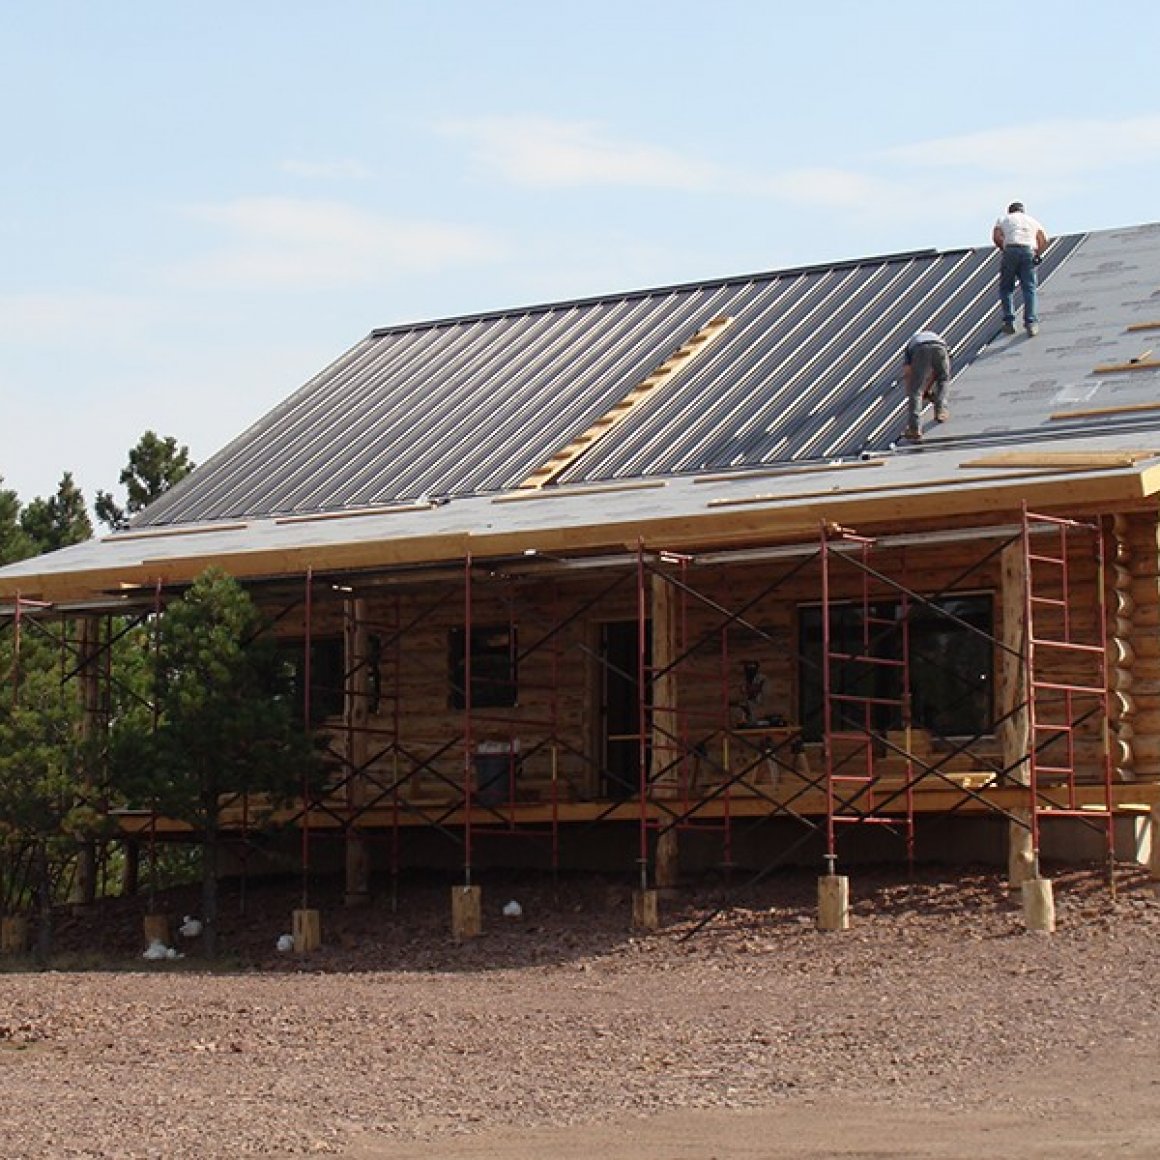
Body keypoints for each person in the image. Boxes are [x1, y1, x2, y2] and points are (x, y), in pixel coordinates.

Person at [992, 202, 1049, 336]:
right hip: (1028, 250)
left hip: (1011, 249)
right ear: (1023, 211)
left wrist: (1003, 248)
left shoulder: (1003, 219)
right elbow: (1044, 239)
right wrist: (1037, 254)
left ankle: (1009, 321)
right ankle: (1031, 322)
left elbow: (996, 236)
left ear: (1010, 211)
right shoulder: (1032, 221)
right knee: (1029, 288)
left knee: (1006, 288)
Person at [900, 329, 951, 442]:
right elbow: (936, 374)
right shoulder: (936, 337)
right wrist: (927, 390)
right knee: (943, 379)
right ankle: (941, 411)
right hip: (941, 347)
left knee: (915, 390)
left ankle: (914, 428)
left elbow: (908, 373)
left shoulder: (911, 345)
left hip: (920, 349)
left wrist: (912, 391)